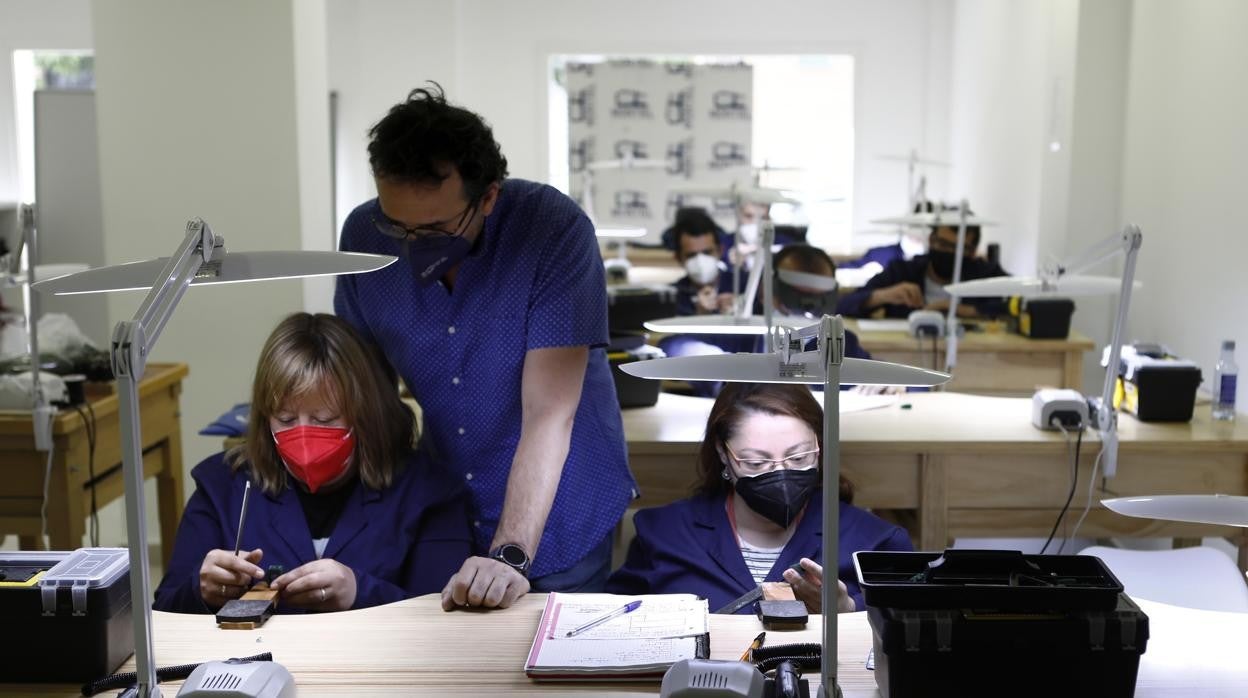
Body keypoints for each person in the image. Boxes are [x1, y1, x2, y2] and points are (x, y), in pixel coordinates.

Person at [334, 84, 636, 610]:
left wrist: (510, 555)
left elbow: (548, 415)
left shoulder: (552, 229)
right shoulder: (364, 234)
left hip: (565, 501)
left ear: (488, 196)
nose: (411, 243)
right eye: (397, 225)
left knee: (557, 676)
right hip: (447, 497)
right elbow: (367, 398)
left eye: (434, 228)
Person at [153, 313, 472, 614]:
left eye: (324, 419)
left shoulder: (428, 493)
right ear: (265, 417)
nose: (303, 437)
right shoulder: (222, 485)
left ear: (364, 415)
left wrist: (360, 592)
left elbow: (442, 617)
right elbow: (164, 610)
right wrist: (201, 588)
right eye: (286, 419)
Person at [606, 382, 913, 613]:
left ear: (821, 446)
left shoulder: (878, 544)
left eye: (798, 458)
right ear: (722, 453)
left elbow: (912, 634)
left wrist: (847, 612)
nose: (780, 474)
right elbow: (615, 623)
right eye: (756, 462)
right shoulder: (662, 534)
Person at [837, 206, 1010, 319]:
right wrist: (884, 295)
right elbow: (844, 305)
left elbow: (1022, 302)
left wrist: (965, 310)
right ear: (930, 239)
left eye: (956, 248)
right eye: (941, 243)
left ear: (971, 252)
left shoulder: (986, 275)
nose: (946, 251)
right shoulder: (902, 271)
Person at [667, 207, 732, 317]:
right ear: (678, 258)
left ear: (720, 250)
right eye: (691, 255)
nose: (700, 261)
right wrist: (699, 315)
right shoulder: (670, 297)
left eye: (707, 252)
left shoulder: (744, 285)